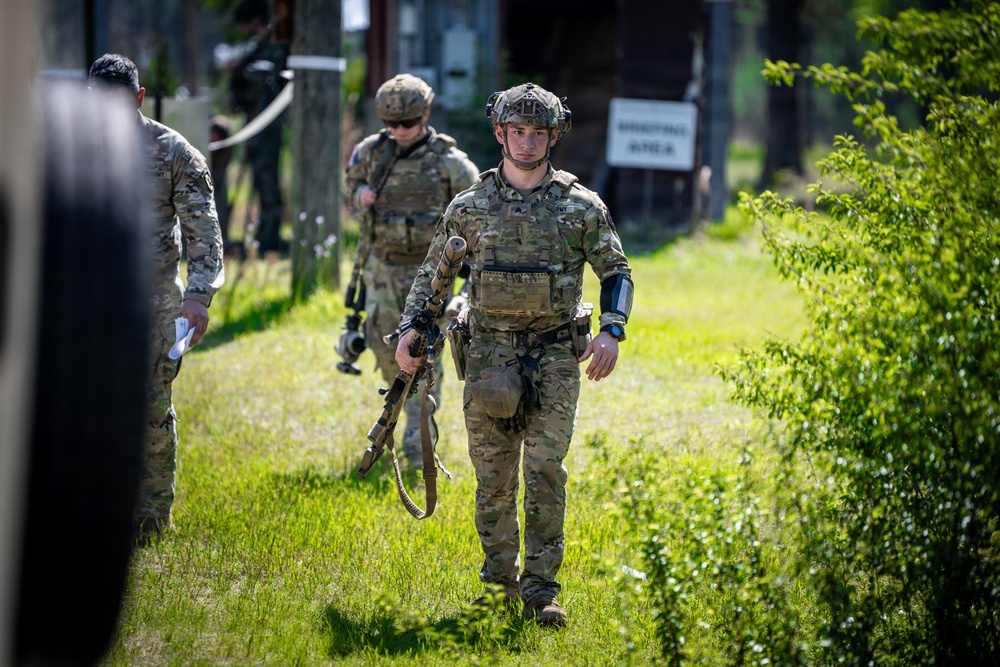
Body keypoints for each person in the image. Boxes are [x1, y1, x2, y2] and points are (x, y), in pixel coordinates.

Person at [395, 83, 634, 626]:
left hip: (554, 354)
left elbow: (615, 271)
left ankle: (542, 591)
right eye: (517, 132)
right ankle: (499, 585)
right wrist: (413, 329)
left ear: (554, 136)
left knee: (546, 468)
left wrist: (612, 330)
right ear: (500, 133)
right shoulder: (470, 207)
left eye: (538, 133)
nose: (527, 143)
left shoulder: (580, 206)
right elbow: (433, 277)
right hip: (488, 356)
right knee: (494, 475)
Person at [88, 54, 225, 545]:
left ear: (140, 98)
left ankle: (148, 521)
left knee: (148, 411)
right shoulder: (64, 147)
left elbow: (203, 233)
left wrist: (198, 298)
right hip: (80, 302)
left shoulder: (174, 152)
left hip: (151, 302)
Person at [342, 73, 480, 468]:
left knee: (424, 357)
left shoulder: (450, 163)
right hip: (383, 270)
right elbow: (348, 186)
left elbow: (475, 217)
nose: (400, 131)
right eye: (391, 124)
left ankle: (419, 449)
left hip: (434, 275)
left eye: (408, 124)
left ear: (426, 115)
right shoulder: (370, 153)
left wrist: (465, 283)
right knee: (385, 348)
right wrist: (358, 195)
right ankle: (401, 413)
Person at [231, 0, 288, 255]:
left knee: (267, 180)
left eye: (246, 24)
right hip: (254, 121)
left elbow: (274, 81)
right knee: (258, 178)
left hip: (269, 124)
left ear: (255, 21)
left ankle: (269, 238)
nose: (244, 30)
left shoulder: (275, 46)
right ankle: (262, 234)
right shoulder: (255, 48)